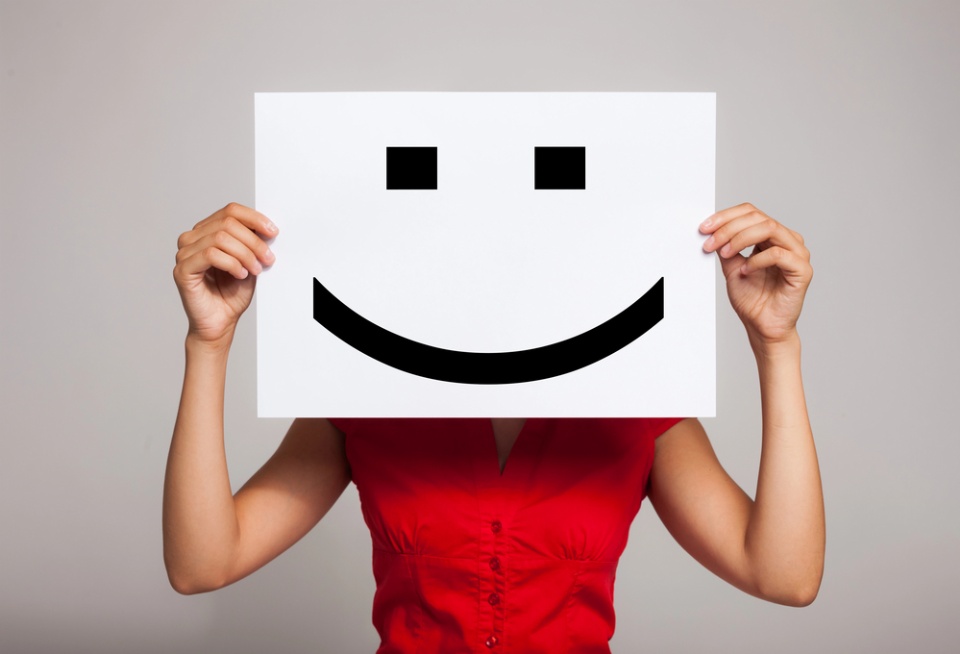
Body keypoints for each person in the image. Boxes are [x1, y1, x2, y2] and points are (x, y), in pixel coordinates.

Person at [164, 201, 824, 652]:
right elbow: (203, 564)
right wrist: (208, 341)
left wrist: (776, 343)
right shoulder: (365, 395)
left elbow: (784, 576)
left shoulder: (638, 406)